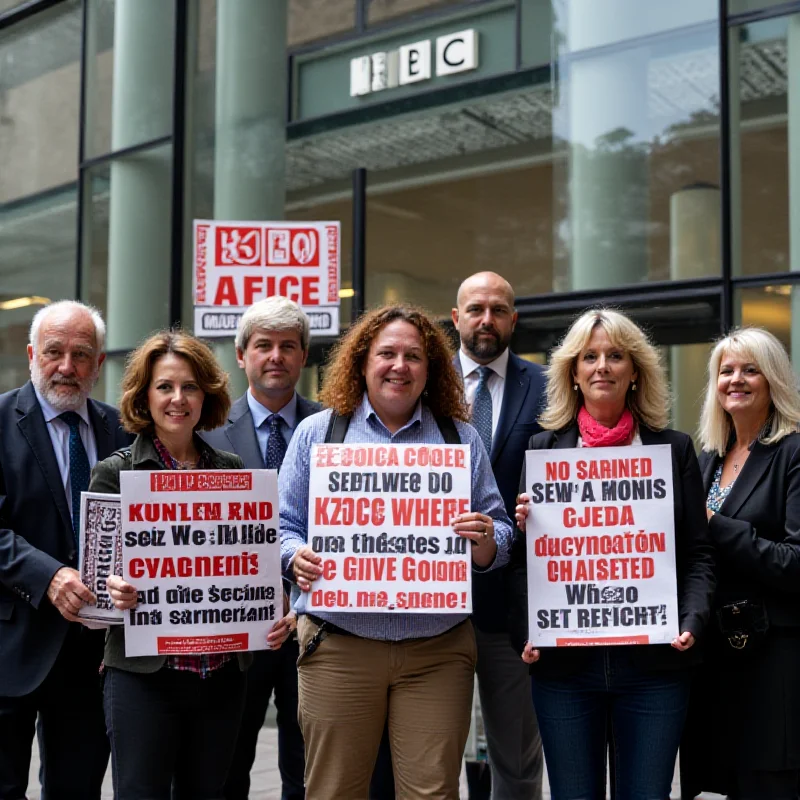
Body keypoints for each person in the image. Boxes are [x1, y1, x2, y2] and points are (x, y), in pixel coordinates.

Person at [279, 304, 514, 799]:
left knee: (432, 792)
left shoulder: (459, 438)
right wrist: (293, 556)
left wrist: (489, 540)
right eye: (387, 353)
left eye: (413, 355)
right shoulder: (317, 434)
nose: (399, 365)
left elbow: (502, 530)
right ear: (362, 361)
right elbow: (284, 525)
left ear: (430, 369)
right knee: (333, 790)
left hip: (437, 650)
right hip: (340, 645)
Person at [509, 308, 715, 800]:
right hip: (564, 671)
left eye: (616, 356)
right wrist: (527, 628)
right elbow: (521, 566)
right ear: (574, 374)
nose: (602, 366)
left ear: (635, 371)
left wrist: (692, 618)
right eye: (590, 357)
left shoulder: (674, 450)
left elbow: (699, 554)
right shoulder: (542, 451)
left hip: (654, 670)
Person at [90, 331, 293, 800]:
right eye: (164, 387)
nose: (178, 399)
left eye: (190, 387)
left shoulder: (234, 471)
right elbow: (95, 584)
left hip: (220, 677)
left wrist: (273, 601)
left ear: (207, 395)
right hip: (144, 678)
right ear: (144, 395)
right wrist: (112, 589)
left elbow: (255, 564)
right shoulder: (115, 473)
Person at [0, 300, 130, 799]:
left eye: (81, 354)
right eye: (54, 352)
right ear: (33, 354)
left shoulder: (122, 430)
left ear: (99, 364)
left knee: (77, 789)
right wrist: (48, 575)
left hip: (92, 655)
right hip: (12, 644)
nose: (66, 367)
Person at [202, 297, 320, 800]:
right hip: (235, 633)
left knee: (308, 771)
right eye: (264, 346)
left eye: (288, 346)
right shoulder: (206, 432)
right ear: (241, 353)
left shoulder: (334, 429)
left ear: (303, 356)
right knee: (226, 767)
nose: (276, 356)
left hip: (314, 627)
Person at [680, 327, 800, 800]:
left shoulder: (794, 452)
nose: (736, 379)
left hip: (773, 664)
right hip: (716, 658)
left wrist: (715, 523)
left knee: (768, 786)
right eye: (726, 371)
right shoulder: (708, 457)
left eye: (751, 369)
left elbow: (796, 563)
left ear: (773, 380)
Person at [452, 271, 544, 800]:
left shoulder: (550, 384)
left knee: (516, 757)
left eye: (499, 309)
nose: (487, 320)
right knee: (433, 754)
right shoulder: (423, 382)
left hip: (514, 603)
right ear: (457, 316)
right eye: (476, 309)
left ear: (513, 319)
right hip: (430, 601)